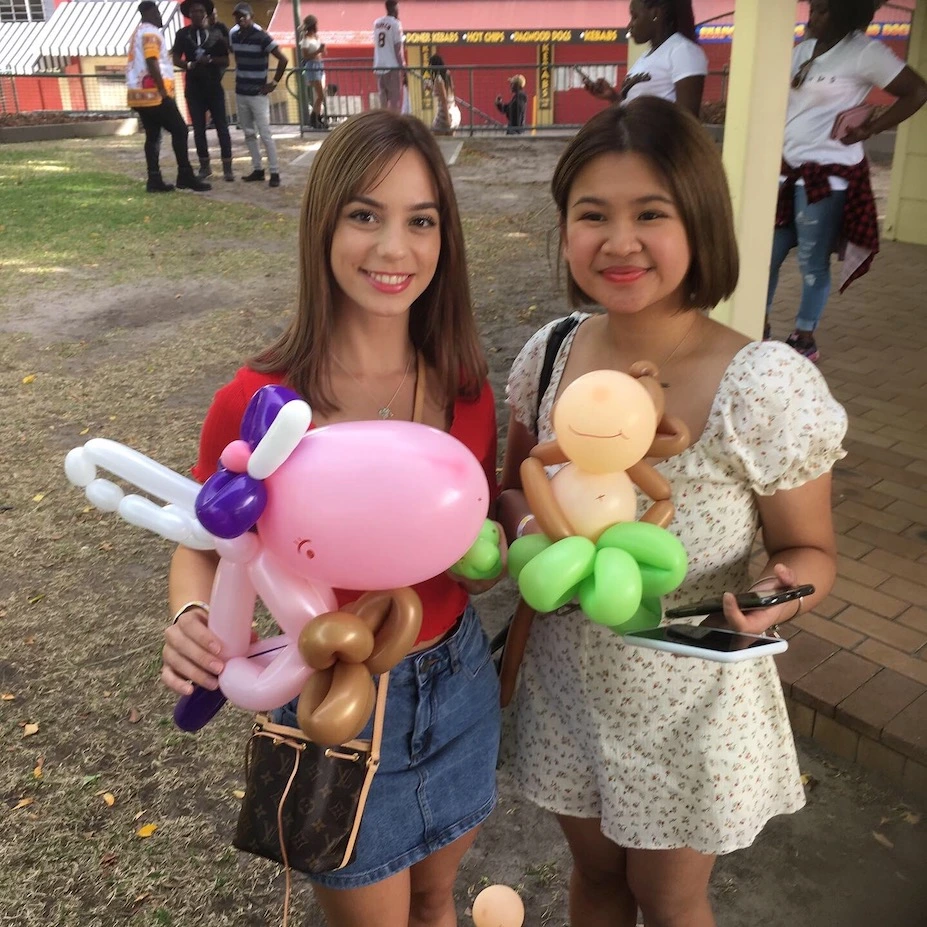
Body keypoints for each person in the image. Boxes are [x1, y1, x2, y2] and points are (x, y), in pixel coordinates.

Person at [497, 97, 847, 927]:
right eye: (592, 216)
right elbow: (512, 485)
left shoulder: (762, 384)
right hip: (567, 684)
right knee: (595, 878)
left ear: (698, 224)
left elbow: (810, 549)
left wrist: (772, 597)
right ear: (565, 230)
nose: (618, 242)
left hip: (690, 705)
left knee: (669, 895)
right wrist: (524, 532)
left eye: (649, 213)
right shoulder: (547, 355)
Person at [161, 110, 506, 927]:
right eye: (364, 214)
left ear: (443, 238)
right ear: (323, 225)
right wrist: (188, 616)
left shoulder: (465, 389)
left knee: (436, 900)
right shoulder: (256, 400)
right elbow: (203, 541)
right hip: (328, 702)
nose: (394, 250)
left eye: (419, 221)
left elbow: (472, 540)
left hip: (457, 686)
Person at [765, 0, 927, 362]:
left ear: (844, 13)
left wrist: (872, 128)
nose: (813, 15)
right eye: (813, 7)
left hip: (828, 174)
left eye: (822, 9)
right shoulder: (804, 49)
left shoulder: (864, 52)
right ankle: (757, 327)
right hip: (788, 171)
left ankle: (804, 337)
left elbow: (917, 90)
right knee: (767, 255)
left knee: (811, 260)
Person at [126, 0, 210, 193]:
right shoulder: (151, 33)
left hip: (138, 95)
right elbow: (151, 60)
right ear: (149, 13)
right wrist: (163, 89)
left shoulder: (138, 32)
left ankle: (154, 179)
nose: (160, 16)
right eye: (157, 12)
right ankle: (185, 175)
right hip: (153, 94)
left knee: (153, 135)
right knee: (180, 130)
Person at [584, 0, 706, 117]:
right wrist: (613, 97)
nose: (629, 26)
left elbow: (688, 121)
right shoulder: (646, 57)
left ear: (655, 14)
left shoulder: (683, 51)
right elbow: (633, 113)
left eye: (635, 16)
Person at [172, 0, 234, 182]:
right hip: (194, 88)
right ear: (189, 14)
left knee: (222, 128)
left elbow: (226, 60)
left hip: (214, 86)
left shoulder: (217, 32)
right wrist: (189, 64)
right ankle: (204, 166)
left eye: (200, 11)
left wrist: (211, 61)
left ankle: (227, 167)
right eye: (193, 11)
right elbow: (175, 58)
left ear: (206, 13)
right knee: (199, 129)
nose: (197, 14)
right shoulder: (182, 34)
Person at [228, 2, 288, 187]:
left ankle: (275, 171)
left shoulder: (262, 36)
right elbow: (235, 55)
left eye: (244, 16)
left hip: (258, 93)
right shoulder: (233, 34)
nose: (240, 19)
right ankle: (257, 169)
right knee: (248, 133)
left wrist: (273, 83)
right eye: (237, 16)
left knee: (265, 133)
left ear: (251, 16)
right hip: (241, 91)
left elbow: (283, 59)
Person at [373, 0, 404, 112]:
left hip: (378, 65)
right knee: (395, 98)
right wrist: (403, 67)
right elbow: (398, 49)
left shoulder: (376, 23)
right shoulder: (396, 24)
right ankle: (394, 123)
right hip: (392, 66)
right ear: (395, 8)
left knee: (383, 97)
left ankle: (384, 122)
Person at [299, 14, 327, 130]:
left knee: (321, 95)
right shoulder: (305, 40)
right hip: (312, 66)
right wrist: (317, 51)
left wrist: (322, 49)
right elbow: (305, 56)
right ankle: (314, 118)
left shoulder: (316, 37)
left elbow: (323, 52)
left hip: (319, 65)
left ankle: (317, 117)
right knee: (320, 95)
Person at [426, 54, 460, 137]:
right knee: (450, 144)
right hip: (454, 111)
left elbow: (444, 99)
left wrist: (447, 118)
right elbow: (449, 89)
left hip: (444, 114)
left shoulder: (438, 79)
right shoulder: (447, 74)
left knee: (435, 141)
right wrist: (432, 87)